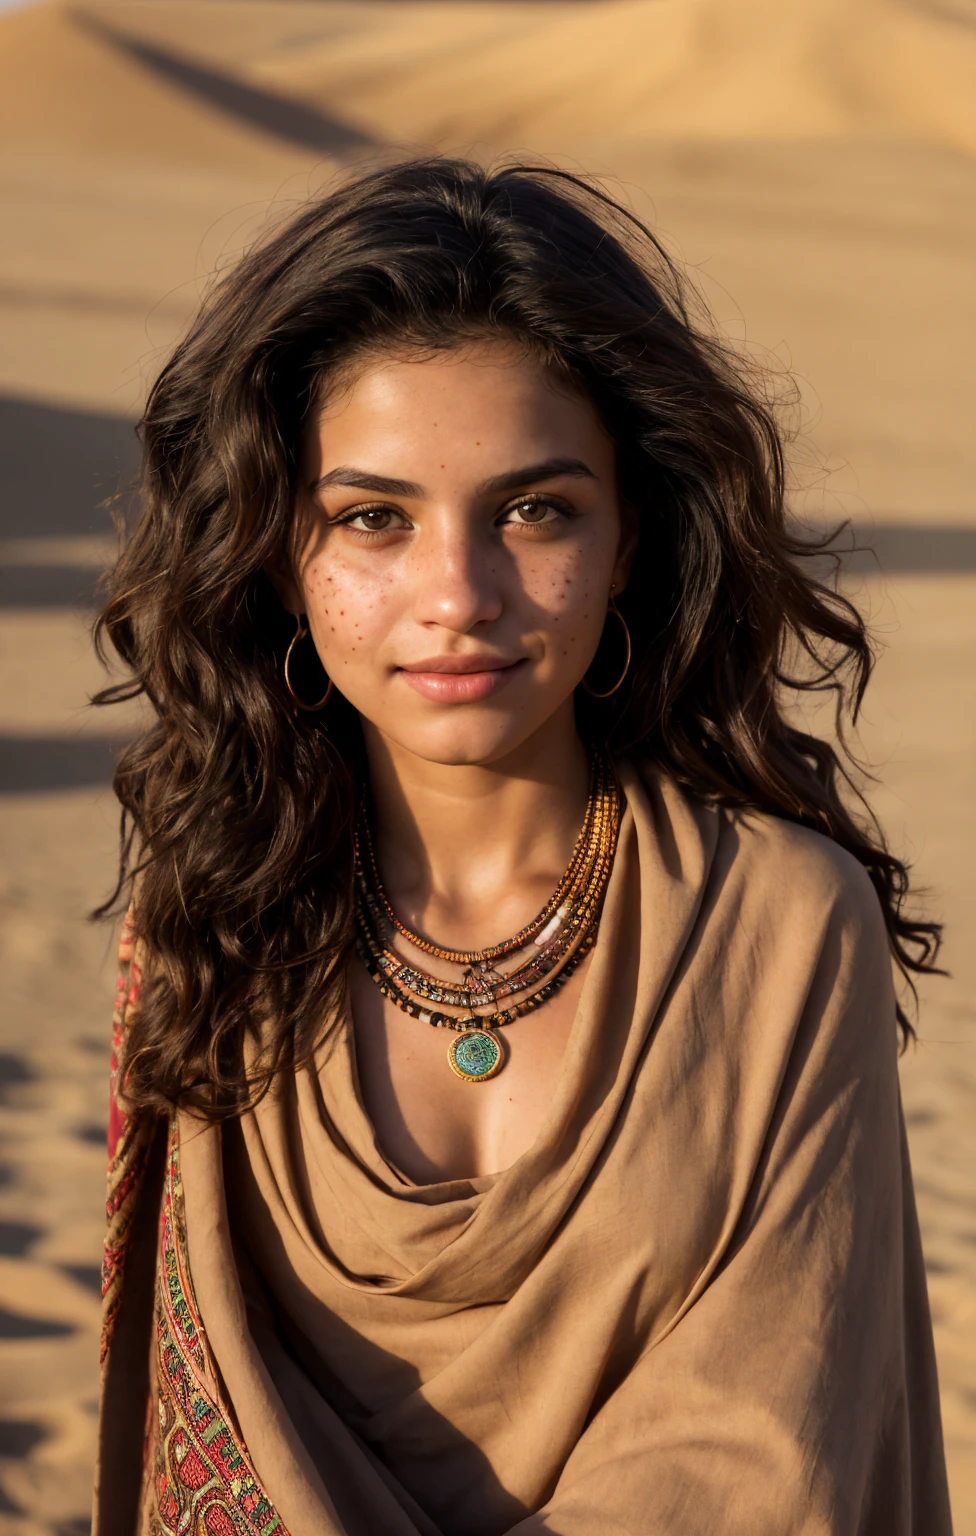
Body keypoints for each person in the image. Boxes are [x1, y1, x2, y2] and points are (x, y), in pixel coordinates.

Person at [91, 157, 951, 1535]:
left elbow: (760, 1456)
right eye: (373, 519)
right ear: (276, 556)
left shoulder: (781, 927)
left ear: (630, 542)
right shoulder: (216, 927)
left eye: (535, 510)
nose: (459, 596)